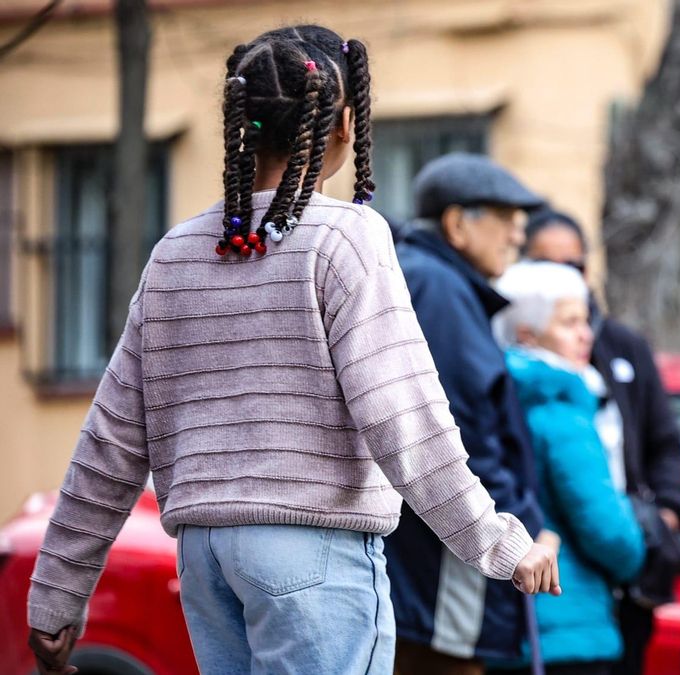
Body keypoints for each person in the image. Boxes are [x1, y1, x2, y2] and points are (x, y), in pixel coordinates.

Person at [24, 27, 559, 675]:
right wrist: (499, 542)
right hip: (314, 551)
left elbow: (110, 440)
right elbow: (404, 415)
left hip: (204, 558)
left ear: (240, 124)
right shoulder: (345, 237)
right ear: (341, 123)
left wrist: (56, 593)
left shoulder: (174, 254)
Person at [387, 153, 554, 675]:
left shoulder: (433, 279)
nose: (517, 235)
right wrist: (519, 524)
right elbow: (460, 433)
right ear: (457, 224)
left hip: (430, 551)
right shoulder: (438, 288)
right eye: (505, 219)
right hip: (444, 558)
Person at [523, 208, 680, 675]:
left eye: (572, 266)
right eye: (546, 266)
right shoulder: (534, 382)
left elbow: (663, 439)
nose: (581, 335)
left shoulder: (622, 345)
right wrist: (624, 545)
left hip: (626, 567)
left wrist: (665, 517)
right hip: (572, 571)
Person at [492, 260, 646, 675]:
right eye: (569, 322)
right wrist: (638, 554)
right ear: (527, 333)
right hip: (569, 627)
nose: (586, 334)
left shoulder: (495, 398)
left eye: (585, 320)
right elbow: (608, 531)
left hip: (505, 626)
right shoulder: (560, 411)